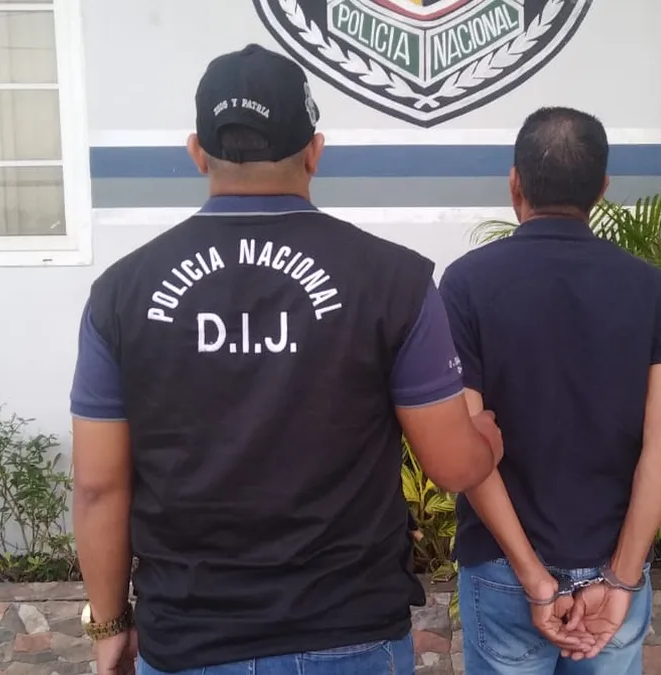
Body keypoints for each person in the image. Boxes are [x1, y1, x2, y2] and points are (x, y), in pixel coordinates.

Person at [68, 44, 504, 675]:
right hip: (349, 634)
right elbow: (453, 465)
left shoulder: (119, 294)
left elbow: (98, 486)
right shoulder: (394, 282)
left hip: (190, 640)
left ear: (197, 153)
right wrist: (484, 439)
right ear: (315, 152)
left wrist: (109, 624)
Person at [438, 106, 661, 675]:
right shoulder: (652, 291)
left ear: (515, 183)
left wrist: (535, 578)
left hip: (505, 570)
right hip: (612, 571)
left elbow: (466, 441)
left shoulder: (466, 283)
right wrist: (622, 577)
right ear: (602, 189)